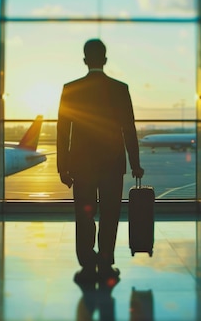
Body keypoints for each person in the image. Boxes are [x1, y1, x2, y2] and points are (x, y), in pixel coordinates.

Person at [57, 38, 144, 285]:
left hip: (81, 165)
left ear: (85, 60)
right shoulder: (120, 88)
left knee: (84, 216)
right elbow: (129, 129)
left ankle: (86, 262)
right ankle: (105, 263)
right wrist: (135, 163)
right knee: (109, 215)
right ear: (105, 60)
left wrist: (63, 167)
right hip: (112, 164)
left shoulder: (70, 89)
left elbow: (63, 131)